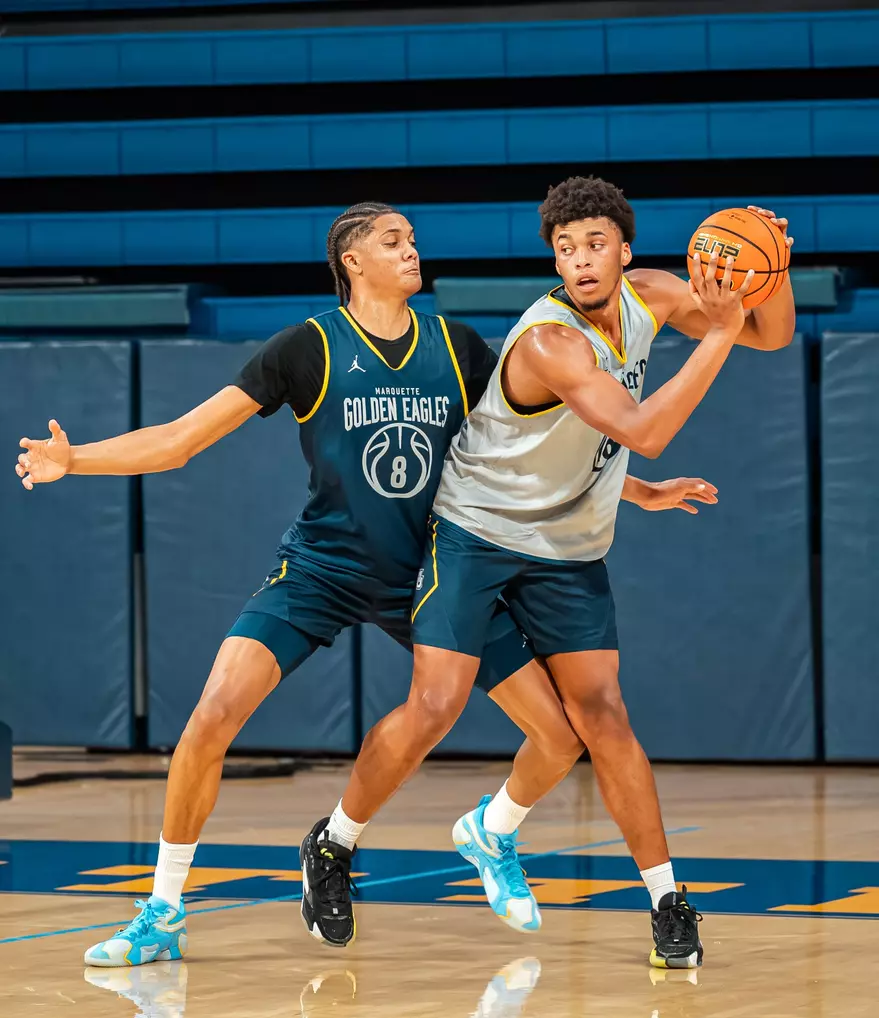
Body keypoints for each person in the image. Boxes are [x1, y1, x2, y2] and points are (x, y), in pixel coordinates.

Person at [13, 201, 628, 963]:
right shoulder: (305, 348)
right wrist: (77, 459)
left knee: (559, 736)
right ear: (352, 261)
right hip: (322, 568)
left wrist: (633, 489)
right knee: (210, 719)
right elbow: (178, 441)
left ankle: (470, 832)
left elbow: (530, 453)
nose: (411, 251)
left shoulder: (458, 346)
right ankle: (162, 912)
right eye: (392, 241)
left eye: (412, 240)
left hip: (433, 572)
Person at [303, 177, 796, 969]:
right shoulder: (549, 341)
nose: (580, 260)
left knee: (600, 718)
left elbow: (769, 336)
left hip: (567, 544)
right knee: (435, 703)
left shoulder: (650, 294)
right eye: (565, 249)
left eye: (594, 244)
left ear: (624, 250)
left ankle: (658, 899)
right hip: (476, 532)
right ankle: (333, 842)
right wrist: (718, 332)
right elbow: (645, 430)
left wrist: (770, 270)